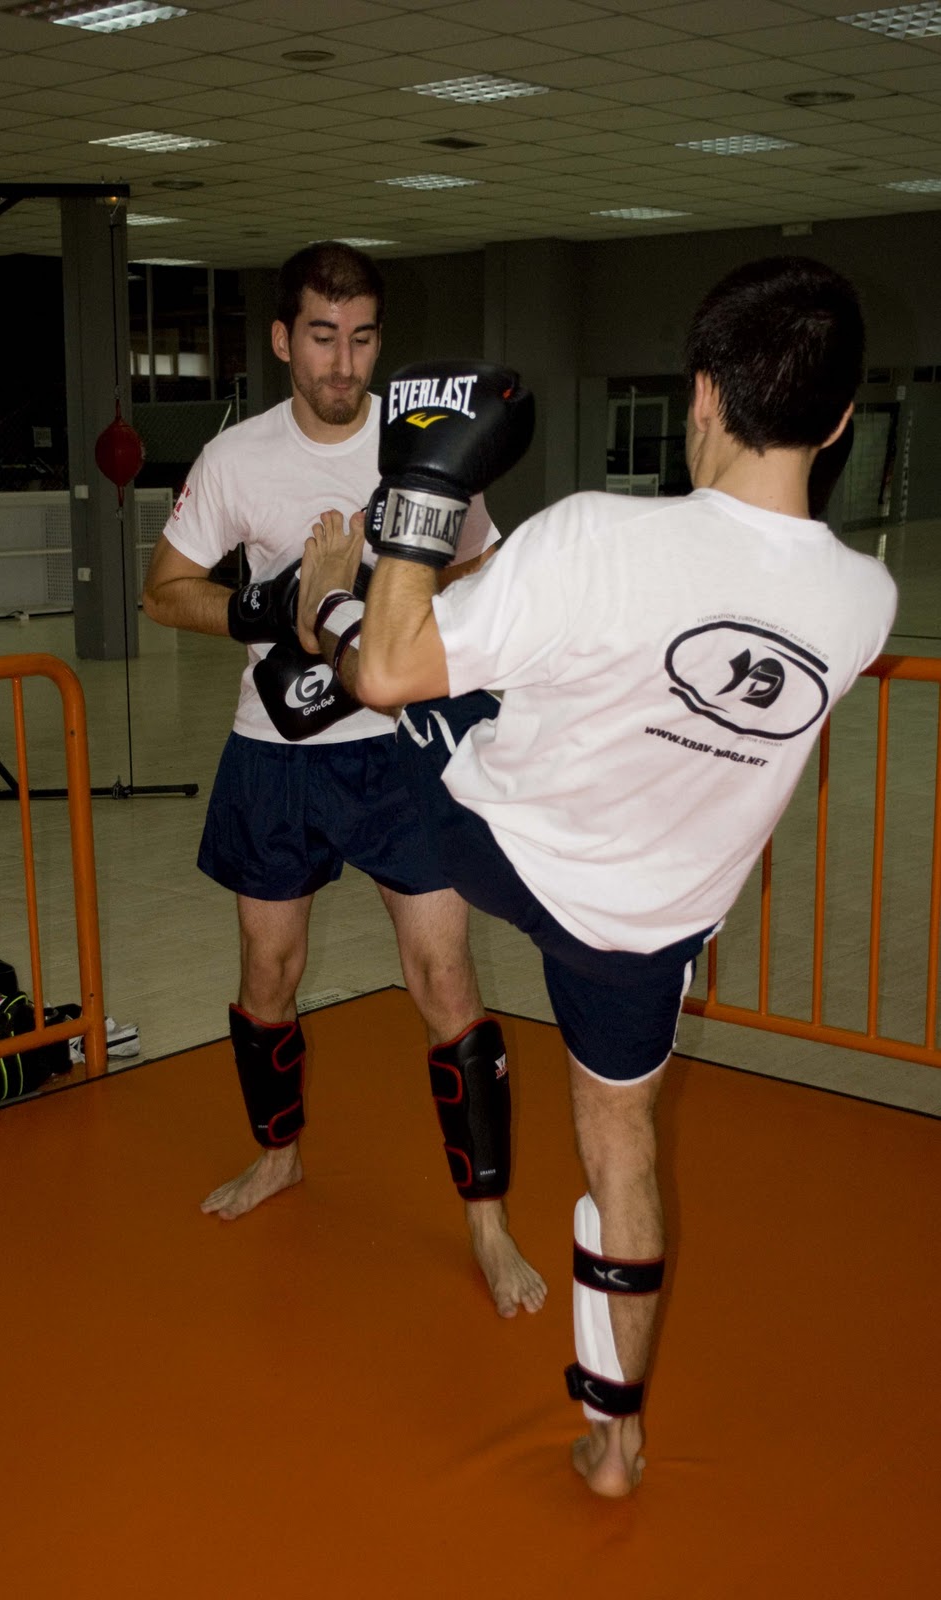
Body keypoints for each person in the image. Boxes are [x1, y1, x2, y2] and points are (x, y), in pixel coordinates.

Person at [296, 256, 897, 1495]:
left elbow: (398, 675)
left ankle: (315, 620)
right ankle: (615, 1441)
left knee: (386, 675)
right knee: (622, 1142)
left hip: (500, 844)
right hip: (652, 927)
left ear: (703, 392)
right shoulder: (868, 602)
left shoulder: (596, 536)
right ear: (842, 419)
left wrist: (409, 510)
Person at [141, 242, 545, 1319]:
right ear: (283, 339)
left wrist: (398, 609)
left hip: (397, 750)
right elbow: (165, 589)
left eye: (362, 338)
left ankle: (488, 1221)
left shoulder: (425, 448)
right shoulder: (236, 459)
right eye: (322, 336)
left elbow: (482, 566)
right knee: (267, 976)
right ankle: (278, 1155)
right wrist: (276, 607)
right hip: (274, 755)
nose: (343, 362)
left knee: (444, 980)